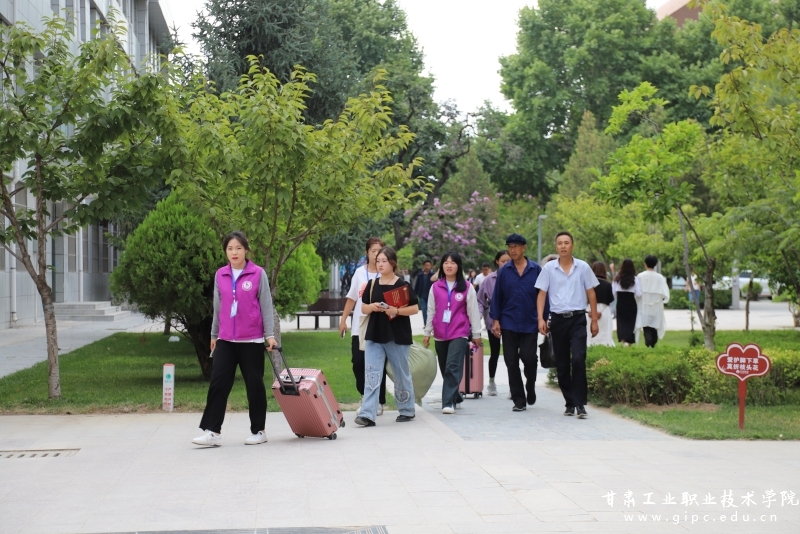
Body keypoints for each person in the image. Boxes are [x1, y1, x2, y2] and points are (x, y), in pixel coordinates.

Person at [193, 231, 277, 447]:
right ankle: (213, 432)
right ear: (225, 252)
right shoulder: (220, 274)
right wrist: (214, 334)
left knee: (254, 386)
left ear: (246, 250)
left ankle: (259, 431)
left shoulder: (258, 273)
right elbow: (218, 307)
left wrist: (269, 335)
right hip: (226, 341)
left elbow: (266, 306)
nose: (234, 252)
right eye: (230, 248)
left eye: (238, 248)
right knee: (218, 384)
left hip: (251, 341)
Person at [535, 231, 599, 419]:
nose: (563, 246)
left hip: (578, 319)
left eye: (566, 242)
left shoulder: (583, 267)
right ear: (556, 246)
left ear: (572, 245)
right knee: (562, 363)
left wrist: (594, 320)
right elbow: (541, 294)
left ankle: (580, 404)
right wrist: (540, 318)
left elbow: (592, 293)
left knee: (578, 359)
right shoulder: (549, 269)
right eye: (560, 243)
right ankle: (569, 402)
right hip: (558, 321)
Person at [356, 246, 419, 427]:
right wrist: (373, 307)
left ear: (393, 263)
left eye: (384, 261)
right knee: (372, 374)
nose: (380, 264)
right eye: (378, 261)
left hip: (397, 336)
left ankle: (407, 409)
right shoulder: (372, 284)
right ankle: (368, 414)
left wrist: (395, 310)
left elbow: (414, 308)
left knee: (401, 374)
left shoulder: (402, 285)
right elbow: (364, 308)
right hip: (375, 335)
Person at [423, 252, 483, 414]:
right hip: (440, 333)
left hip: (459, 332)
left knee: (452, 366)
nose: (449, 265)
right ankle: (456, 395)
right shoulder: (436, 287)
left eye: (453, 263)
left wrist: (476, 334)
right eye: (446, 263)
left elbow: (473, 312)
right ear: (442, 266)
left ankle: (448, 403)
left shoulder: (467, 287)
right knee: (445, 368)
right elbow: (430, 310)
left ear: (458, 266)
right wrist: (427, 332)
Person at [490, 234, 543, 412]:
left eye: (515, 247)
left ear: (523, 248)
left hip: (530, 321)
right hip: (509, 322)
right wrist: (495, 320)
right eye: (510, 247)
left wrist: (543, 318)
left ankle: (531, 384)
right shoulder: (504, 271)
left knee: (529, 358)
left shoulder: (536, 270)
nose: (512, 250)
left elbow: (543, 295)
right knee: (511, 361)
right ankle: (519, 399)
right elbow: (497, 296)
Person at [339, 238, 389, 415]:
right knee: (358, 363)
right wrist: (343, 320)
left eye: (379, 251)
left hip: (380, 325)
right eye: (373, 251)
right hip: (360, 325)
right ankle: (365, 396)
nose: (376, 254)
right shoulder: (360, 273)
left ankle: (378, 401)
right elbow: (352, 298)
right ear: (367, 253)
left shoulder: (386, 273)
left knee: (378, 365)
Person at [477, 250, 510, 396]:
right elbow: (480, 301)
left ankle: (513, 386)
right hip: (492, 321)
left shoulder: (515, 277)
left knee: (511, 355)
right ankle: (491, 382)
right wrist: (477, 317)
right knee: (495, 352)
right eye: (503, 261)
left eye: (508, 261)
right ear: (497, 262)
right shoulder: (489, 279)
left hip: (510, 320)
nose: (506, 264)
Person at [638, 255, 670, 348]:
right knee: (654, 324)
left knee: (646, 325)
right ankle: (652, 343)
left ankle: (648, 342)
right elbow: (665, 293)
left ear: (645, 264)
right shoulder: (660, 277)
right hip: (656, 305)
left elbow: (637, 292)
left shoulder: (640, 276)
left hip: (644, 304)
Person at [612, 259, 641, 347]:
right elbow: (639, 294)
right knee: (631, 323)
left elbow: (613, 293)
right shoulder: (635, 279)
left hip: (621, 303)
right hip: (631, 303)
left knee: (621, 322)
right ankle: (629, 342)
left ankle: (623, 340)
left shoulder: (616, 279)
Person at [588, 261, 615, 347]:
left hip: (589, 310)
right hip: (604, 310)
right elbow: (611, 299)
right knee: (604, 333)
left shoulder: (588, 284)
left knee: (589, 334)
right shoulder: (607, 285)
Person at [414, 260, 435, 325]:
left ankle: (430, 323)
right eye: (426, 265)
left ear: (431, 266)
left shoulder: (433, 275)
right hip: (422, 296)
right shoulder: (420, 275)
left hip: (430, 296)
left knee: (430, 310)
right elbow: (417, 285)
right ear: (423, 266)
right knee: (424, 309)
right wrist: (415, 294)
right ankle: (426, 324)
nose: (427, 267)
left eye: (428, 265)